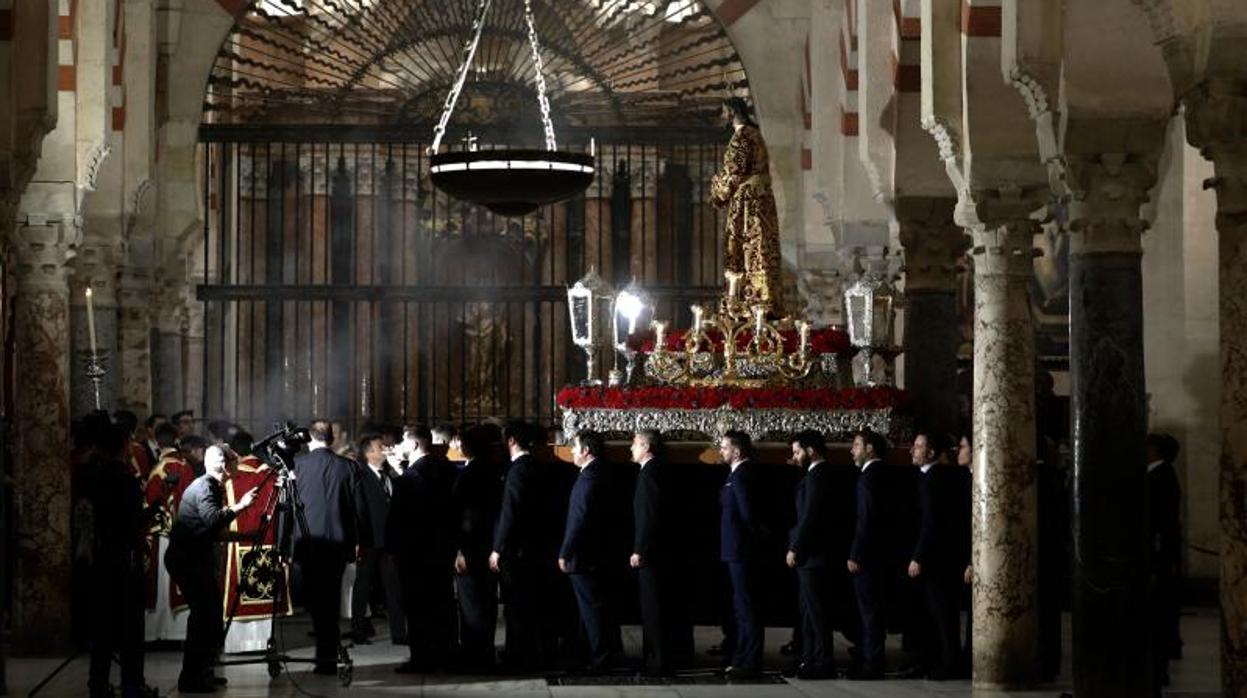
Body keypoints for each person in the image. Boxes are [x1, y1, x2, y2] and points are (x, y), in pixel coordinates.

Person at [164, 445, 258, 693]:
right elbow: (213, 519)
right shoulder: (206, 486)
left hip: (192, 559)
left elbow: (215, 532)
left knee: (210, 616)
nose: (238, 463)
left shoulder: (209, 485)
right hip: (186, 560)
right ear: (223, 465)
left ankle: (203, 671)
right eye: (234, 460)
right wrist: (242, 505)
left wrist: (248, 535)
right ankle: (191, 678)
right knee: (203, 618)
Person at [490, 420, 575, 671]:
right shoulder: (543, 467)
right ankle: (542, 652)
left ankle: (519, 657)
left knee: (517, 607)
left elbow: (510, 511)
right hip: (540, 548)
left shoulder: (517, 470)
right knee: (538, 605)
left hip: (519, 551)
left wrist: (498, 547)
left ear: (512, 441)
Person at [86, 423, 155, 698]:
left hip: (103, 557)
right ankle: (132, 685)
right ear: (122, 446)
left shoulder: (95, 474)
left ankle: (98, 684)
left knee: (103, 628)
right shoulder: (124, 479)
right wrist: (157, 506)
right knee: (130, 627)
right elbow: (133, 521)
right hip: (125, 559)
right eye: (128, 443)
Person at [386, 425, 458, 673]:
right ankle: (445, 652)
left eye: (403, 442)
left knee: (417, 607)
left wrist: (393, 548)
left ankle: (422, 657)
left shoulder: (410, 478)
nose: (399, 447)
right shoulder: (446, 469)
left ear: (415, 445)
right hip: (441, 549)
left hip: (415, 553)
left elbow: (400, 518)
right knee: (442, 602)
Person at [291, 420, 360, 675]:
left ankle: (326, 656)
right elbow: (356, 509)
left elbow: (288, 510)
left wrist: (286, 546)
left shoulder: (297, 466)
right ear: (331, 439)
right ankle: (328, 655)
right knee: (330, 600)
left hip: (308, 543)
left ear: (309, 438)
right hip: (338, 545)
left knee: (317, 602)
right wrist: (356, 542)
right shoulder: (347, 467)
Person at [906, 433, 970, 680]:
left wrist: (918, 557)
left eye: (919, 446)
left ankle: (949, 663)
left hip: (938, 560)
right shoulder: (932, 477)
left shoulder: (933, 479)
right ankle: (938, 660)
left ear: (931, 453)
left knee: (943, 614)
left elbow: (931, 524)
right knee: (937, 613)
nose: (913, 450)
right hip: (940, 558)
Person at [559, 430, 624, 673]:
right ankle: (590, 654)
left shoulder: (588, 478)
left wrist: (565, 552)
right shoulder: (604, 472)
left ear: (586, 451)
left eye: (575, 447)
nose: (572, 451)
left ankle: (601, 659)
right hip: (599, 552)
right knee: (594, 607)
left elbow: (578, 519)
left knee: (591, 610)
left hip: (584, 555)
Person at [711, 96, 783, 313]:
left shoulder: (742, 136)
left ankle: (747, 302)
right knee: (761, 248)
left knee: (746, 249)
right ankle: (764, 299)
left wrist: (717, 191)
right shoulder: (755, 134)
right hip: (761, 200)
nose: (723, 115)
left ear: (732, 112)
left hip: (747, 203)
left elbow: (734, 172)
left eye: (724, 111)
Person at [630, 429, 689, 676]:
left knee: (653, 610)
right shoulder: (659, 470)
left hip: (652, 554)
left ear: (646, 446)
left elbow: (649, 516)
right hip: (662, 552)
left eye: (634, 444)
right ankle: (658, 658)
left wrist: (640, 549)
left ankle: (657, 662)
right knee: (659, 608)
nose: (630, 448)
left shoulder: (650, 473)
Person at [785, 430, 838, 680]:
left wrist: (796, 547)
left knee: (817, 613)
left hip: (813, 555)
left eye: (797, 452)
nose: (794, 457)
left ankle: (823, 661)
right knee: (807, 612)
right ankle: (808, 659)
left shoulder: (819, 475)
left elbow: (810, 517)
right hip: (810, 555)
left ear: (811, 451)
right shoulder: (812, 474)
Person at [718, 430, 768, 678]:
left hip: (742, 551)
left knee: (747, 607)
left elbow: (748, 515)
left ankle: (750, 662)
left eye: (725, 447)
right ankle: (741, 656)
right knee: (741, 607)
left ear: (737, 451)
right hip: (736, 550)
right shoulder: (738, 474)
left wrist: (750, 544)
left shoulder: (742, 476)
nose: (721, 451)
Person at [452, 425, 503, 670]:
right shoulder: (493, 471)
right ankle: (485, 651)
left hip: (471, 548)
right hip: (488, 546)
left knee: (471, 604)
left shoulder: (468, 475)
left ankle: (475, 656)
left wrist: (460, 550)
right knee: (487, 602)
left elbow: (465, 517)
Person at [350, 433, 406, 646]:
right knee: (363, 586)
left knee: (394, 587)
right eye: (380, 446)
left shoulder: (390, 474)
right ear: (369, 453)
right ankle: (358, 631)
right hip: (368, 540)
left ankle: (399, 633)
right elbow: (357, 510)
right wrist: (357, 540)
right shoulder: (360, 476)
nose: (385, 448)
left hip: (390, 541)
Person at [846, 429, 891, 680]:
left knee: (869, 612)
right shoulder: (885, 473)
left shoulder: (868, 478)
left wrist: (856, 554)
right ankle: (872, 659)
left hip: (869, 556)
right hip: (882, 554)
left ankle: (872, 665)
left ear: (870, 448)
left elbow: (866, 520)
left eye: (856, 445)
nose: (852, 450)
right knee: (875, 610)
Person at [1147, 432, 1182, 688]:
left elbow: (1158, 521)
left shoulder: (1159, 477)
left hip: (1156, 558)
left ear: (1155, 450)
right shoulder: (1162, 475)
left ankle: (1157, 670)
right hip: (1160, 557)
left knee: (1157, 614)